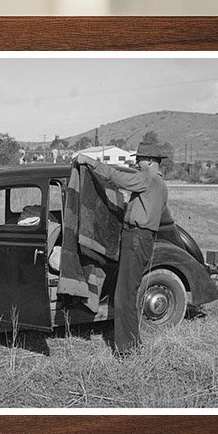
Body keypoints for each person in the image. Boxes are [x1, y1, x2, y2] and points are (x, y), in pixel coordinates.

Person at [74, 142, 169, 355]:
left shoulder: (147, 178)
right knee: (129, 291)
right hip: (143, 239)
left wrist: (89, 162)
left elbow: (116, 177)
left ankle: (127, 349)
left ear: (151, 162)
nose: (137, 163)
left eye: (140, 160)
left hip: (135, 238)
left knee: (124, 295)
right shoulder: (161, 186)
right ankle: (133, 342)